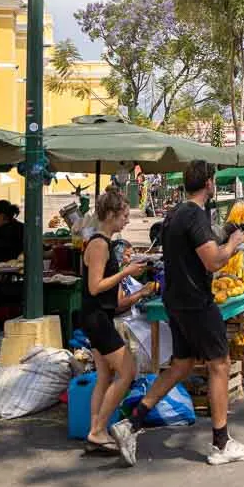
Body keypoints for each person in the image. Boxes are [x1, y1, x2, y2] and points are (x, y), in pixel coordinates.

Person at [110, 160, 244, 468]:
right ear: (209, 184)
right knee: (220, 364)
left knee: (181, 365)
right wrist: (234, 241)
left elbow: (196, 249)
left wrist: (224, 235)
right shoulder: (194, 214)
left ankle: (131, 424)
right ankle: (221, 443)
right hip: (195, 302)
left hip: (175, 301)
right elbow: (213, 262)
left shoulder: (176, 213)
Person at [79, 190, 149, 454]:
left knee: (105, 375)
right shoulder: (99, 244)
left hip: (98, 316)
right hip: (96, 319)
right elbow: (95, 287)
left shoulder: (103, 243)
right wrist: (126, 272)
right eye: (124, 216)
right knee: (127, 372)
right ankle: (98, 431)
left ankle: (94, 431)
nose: (126, 222)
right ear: (110, 215)